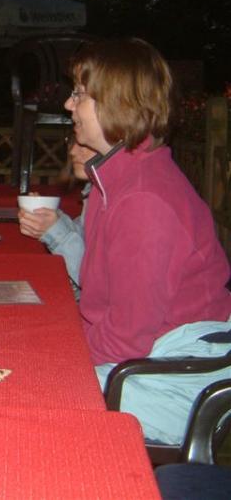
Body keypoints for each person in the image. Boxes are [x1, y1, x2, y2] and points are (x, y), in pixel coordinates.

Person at [65, 37, 231, 367]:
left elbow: (124, 342)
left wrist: (55, 356)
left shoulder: (142, 200)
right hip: (152, 354)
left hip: (180, 364)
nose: (68, 104)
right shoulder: (111, 182)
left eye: (80, 94)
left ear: (118, 102)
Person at [18, 141, 96, 295]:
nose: (73, 151)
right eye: (73, 142)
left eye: (86, 144)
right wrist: (50, 218)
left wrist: (53, 230)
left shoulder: (130, 199)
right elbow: (85, 239)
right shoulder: (94, 189)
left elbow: (99, 283)